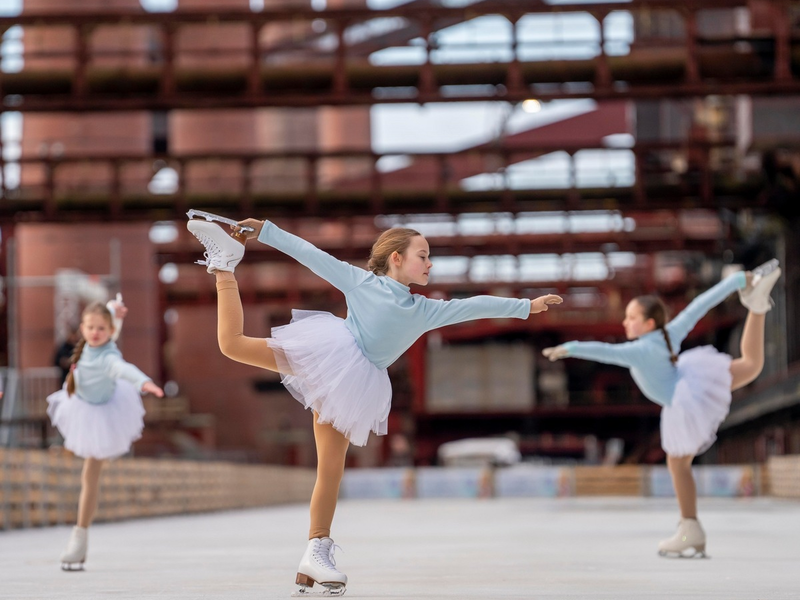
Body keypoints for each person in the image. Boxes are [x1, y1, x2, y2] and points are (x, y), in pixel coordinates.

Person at [186, 216, 562, 595]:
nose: (430, 264)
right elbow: (309, 254)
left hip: (354, 382)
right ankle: (224, 264)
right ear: (396, 259)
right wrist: (265, 230)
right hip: (330, 355)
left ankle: (315, 553)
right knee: (232, 344)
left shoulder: (424, 309)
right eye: (423, 256)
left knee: (330, 471)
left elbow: (474, 306)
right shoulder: (361, 282)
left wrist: (526, 306)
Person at [542, 260, 781, 558]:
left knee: (678, 464)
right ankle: (757, 305)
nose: (625, 323)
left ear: (649, 323)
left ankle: (690, 528)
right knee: (750, 365)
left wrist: (571, 348)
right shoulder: (668, 333)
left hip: (687, 395)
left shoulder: (639, 350)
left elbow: (606, 352)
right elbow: (700, 304)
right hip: (691, 380)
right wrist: (737, 282)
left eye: (631, 317)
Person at [46, 299, 164, 571]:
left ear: (109, 332)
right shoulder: (91, 342)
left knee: (90, 476)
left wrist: (143, 382)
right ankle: (80, 539)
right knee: (88, 476)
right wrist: (113, 310)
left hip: (101, 415)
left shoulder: (108, 356)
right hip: (79, 405)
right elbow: (107, 321)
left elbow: (123, 369)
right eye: (90, 327)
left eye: (101, 329)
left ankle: (79, 537)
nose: (95, 333)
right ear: (83, 328)